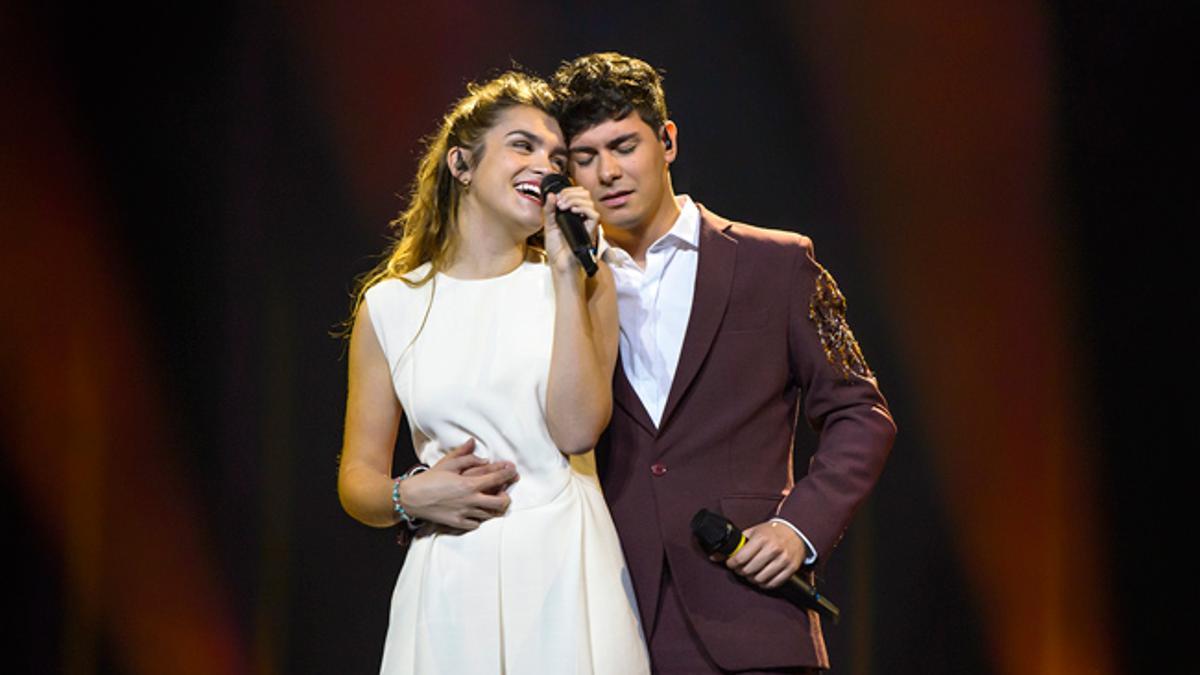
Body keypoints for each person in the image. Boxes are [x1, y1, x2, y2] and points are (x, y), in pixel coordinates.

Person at [549, 52, 897, 673]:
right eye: (586, 156)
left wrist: (799, 528)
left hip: (752, 611)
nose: (608, 172)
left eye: (624, 145)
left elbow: (861, 412)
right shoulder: (561, 286)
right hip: (612, 621)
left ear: (667, 141)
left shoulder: (780, 263)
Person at [337, 71, 650, 674]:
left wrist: (565, 272)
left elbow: (578, 429)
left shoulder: (584, 278)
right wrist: (412, 495)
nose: (545, 166)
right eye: (523, 146)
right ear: (461, 164)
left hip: (567, 568)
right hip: (452, 581)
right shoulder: (391, 306)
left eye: (558, 157)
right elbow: (357, 478)